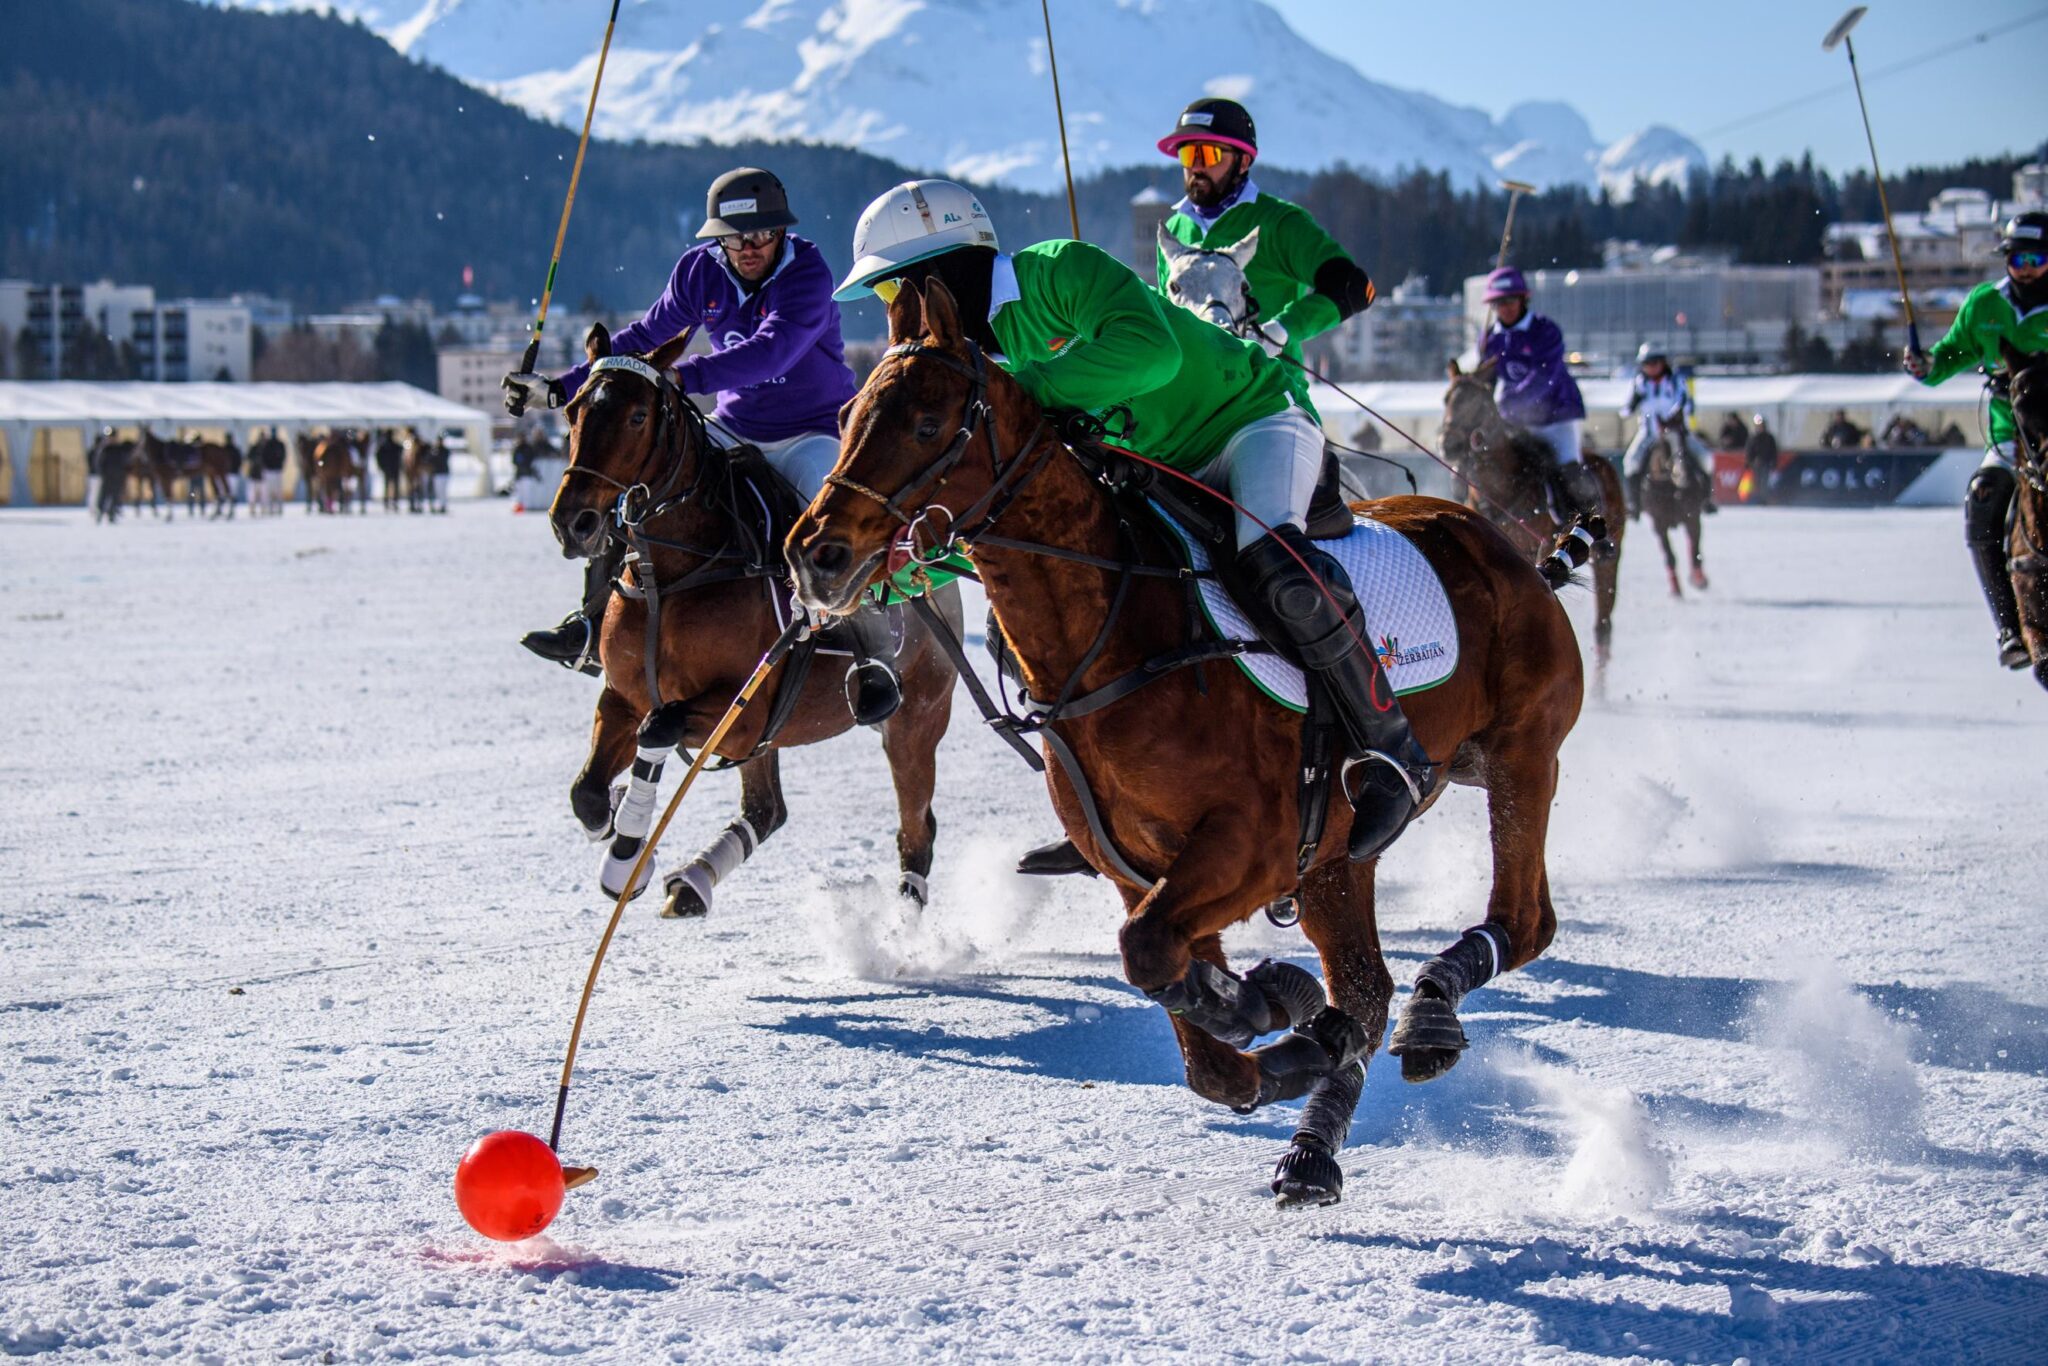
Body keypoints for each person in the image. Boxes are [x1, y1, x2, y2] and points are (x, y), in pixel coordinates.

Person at [834, 179, 1435, 869]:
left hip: (1245, 423)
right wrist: (903, 569)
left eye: (891, 293)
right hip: (1147, 474)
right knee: (1028, 620)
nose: (894, 315)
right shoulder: (974, 374)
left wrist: (1027, 400)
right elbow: (1014, 534)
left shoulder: (1058, 272)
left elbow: (1156, 354)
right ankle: (1109, 801)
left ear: (937, 274)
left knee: (1275, 568)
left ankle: (1393, 750)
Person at [501, 166, 899, 720]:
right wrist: (556, 387)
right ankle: (593, 622)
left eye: (761, 235)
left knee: (835, 522)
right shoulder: (698, 272)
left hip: (811, 429)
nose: (749, 247)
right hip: (735, 427)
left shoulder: (806, 270)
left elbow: (773, 350)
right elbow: (643, 340)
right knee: (640, 489)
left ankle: (870, 650)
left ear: (780, 232)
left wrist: (685, 379)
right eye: (735, 238)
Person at [1152, 97, 1375, 418]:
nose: (1196, 166)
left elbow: (1355, 287)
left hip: (1272, 400)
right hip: (1193, 407)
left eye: (1208, 154)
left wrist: (1281, 330)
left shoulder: (1281, 223)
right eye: (1188, 154)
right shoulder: (1173, 231)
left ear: (1242, 162)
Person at [1906, 209, 2048, 670]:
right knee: (1982, 502)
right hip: (2010, 432)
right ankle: (2010, 628)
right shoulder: (1984, 305)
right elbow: (1952, 353)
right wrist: (1927, 366)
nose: (2026, 266)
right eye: (2017, 257)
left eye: (2036, 257)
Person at [1477, 267, 1603, 526]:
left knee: (1569, 471)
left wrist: (1508, 404)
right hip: (1518, 423)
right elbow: (1486, 380)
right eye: (1499, 302)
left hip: (1557, 417)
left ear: (1524, 299)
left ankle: (1594, 530)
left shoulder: (1545, 331)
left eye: (1510, 300)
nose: (1505, 307)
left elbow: (1544, 379)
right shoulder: (1490, 339)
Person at [1621, 343, 1716, 516]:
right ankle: (1634, 504)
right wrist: (1634, 402)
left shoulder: (1676, 380)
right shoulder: (1639, 383)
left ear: (1663, 362)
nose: (1650, 367)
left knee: (1706, 458)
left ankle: (1706, 500)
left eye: (1654, 362)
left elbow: (1687, 404)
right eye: (1646, 363)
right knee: (1631, 462)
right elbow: (1625, 411)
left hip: (1677, 433)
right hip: (1649, 434)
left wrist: (1676, 414)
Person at [1744, 414, 1779, 504]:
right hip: (1755, 465)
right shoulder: (1753, 438)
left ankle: (1764, 499)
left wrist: (1773, 462)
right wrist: (1750, 462)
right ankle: (1758, 499)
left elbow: (1773, 451)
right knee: (1757, 483)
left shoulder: (1769, 438)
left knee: (1764, 482)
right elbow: (1749, 451)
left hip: (1766, 463)